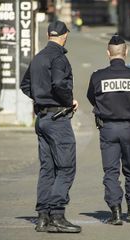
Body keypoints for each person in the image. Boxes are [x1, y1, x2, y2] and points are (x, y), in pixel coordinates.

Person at [20, 20, 81, 233]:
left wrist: (40, 98)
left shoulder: (38, 58)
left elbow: (24, 85)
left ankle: (42, 217)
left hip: (42, 119)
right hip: (57, 119)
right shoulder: (59, 58)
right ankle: (57, 214)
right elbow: (58, 84)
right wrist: (68, 101)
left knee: (47, 168)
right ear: (64, 36)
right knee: (66, 167)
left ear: (48, 35)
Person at [87, 34, 130, 225]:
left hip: (107, 129)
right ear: (126, 52)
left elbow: (92, 98)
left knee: (110, 172)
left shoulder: (97, 77)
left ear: (108, 53)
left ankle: (115, 212)